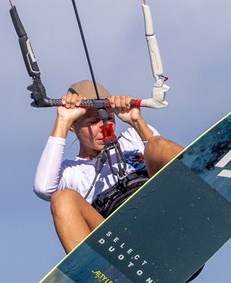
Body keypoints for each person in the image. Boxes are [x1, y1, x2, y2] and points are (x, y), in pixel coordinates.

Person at [33, 79, 184, 252]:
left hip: (166, 218)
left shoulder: (132, 137)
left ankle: (201, 193)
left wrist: (136, 121)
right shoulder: (72, 172)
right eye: (92, 122)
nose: (104, 127)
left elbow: (165, 153)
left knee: (157, 144)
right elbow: (43, 188)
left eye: (109, 118)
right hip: (124, 245)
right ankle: (93, 270)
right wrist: (63, 121)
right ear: (73, 127)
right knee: (62, 199)